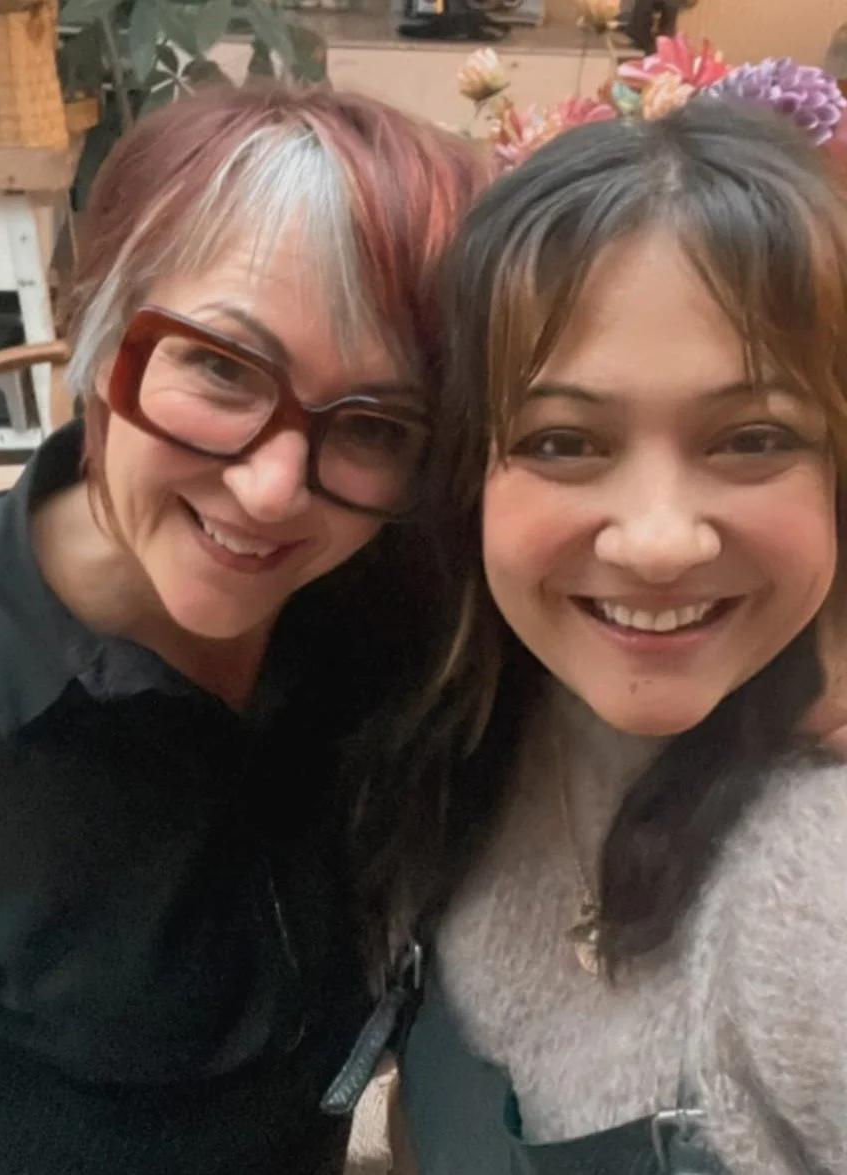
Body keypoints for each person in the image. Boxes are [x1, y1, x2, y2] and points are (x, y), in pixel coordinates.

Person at [0, 82, 487, 1175]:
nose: (273, 488)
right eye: (220, 366)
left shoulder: (398, 606)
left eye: (375, 423)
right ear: (103, 332)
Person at [355, 98, 847, 1173]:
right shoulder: (457, 729)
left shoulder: (815, 886)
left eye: (751, 436)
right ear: (463, 472)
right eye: (564, 439)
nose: (657, 540)